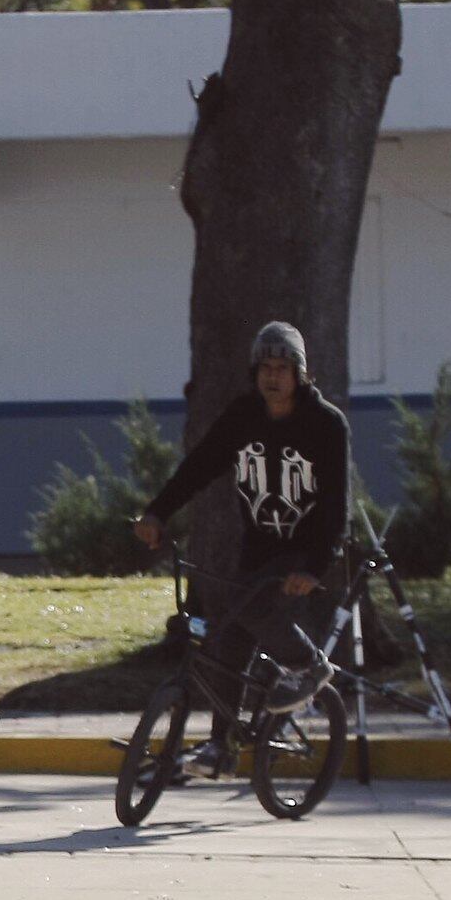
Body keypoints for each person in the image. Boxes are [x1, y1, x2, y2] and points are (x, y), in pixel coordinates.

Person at [134, 321, 349, 769]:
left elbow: (334, 505)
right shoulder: (243, 415)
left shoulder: (326, 424)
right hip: (260, 546)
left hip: (304, 551)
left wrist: (314, 567)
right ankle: (222, 745)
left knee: (251, 608)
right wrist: (158, 511)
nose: (273, 377)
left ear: (300, 374)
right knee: (223, 640)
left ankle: (311, 666)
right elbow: (200, 466)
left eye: (283, 368)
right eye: (265, 367)